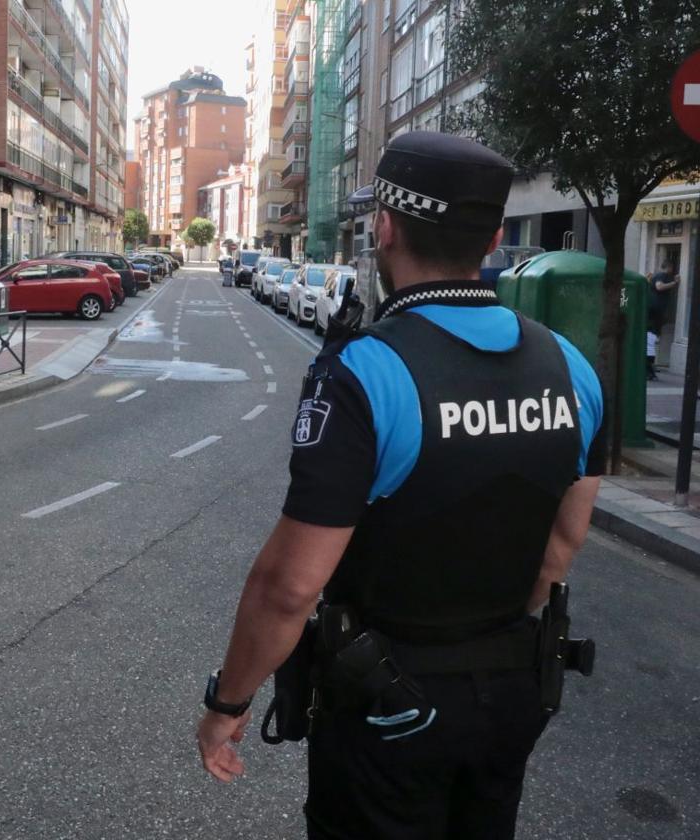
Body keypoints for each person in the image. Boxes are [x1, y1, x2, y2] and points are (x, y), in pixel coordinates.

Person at [197, 131, 605, 840]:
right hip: (514, 694)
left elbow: (289, 587)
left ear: (384, 227)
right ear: (494, 237)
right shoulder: (573, 366)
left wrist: (227, 703)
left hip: (387, 705)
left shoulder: (363, 373)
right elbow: (560, 549)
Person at [648, 259, 680, 335]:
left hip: (656, 305)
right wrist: (674, 283)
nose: (672, 270)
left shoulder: (661, 275)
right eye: (672, 268)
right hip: (656, 306)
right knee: (655, 328)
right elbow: (659, 286)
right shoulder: (662, 275)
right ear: (669, 267)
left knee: (655, 326)